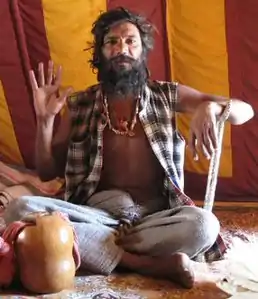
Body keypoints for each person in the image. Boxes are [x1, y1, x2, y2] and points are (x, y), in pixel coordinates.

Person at [2, 7, 254, 289]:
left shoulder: (166, 94)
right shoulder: (81, 105)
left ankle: (99, 250)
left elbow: (246, 112)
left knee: (204, 226)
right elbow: (48, 173)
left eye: (130, 41)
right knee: (20, 208)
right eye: (112, 42)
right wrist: (45, 121)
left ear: (142, 51)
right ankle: (151, 264)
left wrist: (209, 106)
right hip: (97, 215)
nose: (122, 48)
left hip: (155, 218)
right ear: (99, 53)